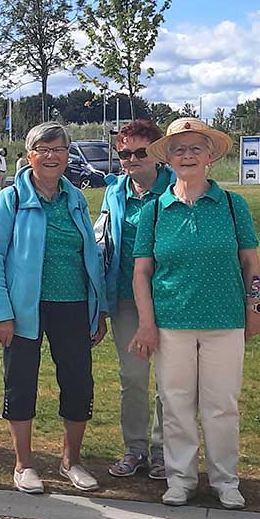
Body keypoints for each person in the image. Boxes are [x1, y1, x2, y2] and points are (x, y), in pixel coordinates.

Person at [129, 118, 260, 510]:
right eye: (179, 149)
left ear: (210, 156)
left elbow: (251, 265)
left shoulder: (232, 205)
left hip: (225, 321)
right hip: (172, 323)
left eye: (195, 149)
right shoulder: (155, 211)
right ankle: (181, 478)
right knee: (175, 403)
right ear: (168, 158)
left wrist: (255, 309)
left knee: (221, 404)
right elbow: (142, 271)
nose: (187, 155)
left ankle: (226, 480)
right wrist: (146, 323)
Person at [0, 121, 109, 495]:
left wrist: (98, 309)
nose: (52, 156)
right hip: (23, 309)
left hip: (73, 304)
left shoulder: (76, 199)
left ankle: (72, 461)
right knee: (20, 383)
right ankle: (24, 464)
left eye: (59, 150)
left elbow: (89, 254)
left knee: (78, 382)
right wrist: (0, 312)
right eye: (44, 149)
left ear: (68, 156)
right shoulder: (11, 199)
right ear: (29, 156)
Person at [101, 120, 173, 481]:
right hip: (127, 299)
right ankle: (136, 449)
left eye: (140, 152)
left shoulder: (177, 188)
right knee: (132, 376)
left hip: (173, 297)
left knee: (169, 379)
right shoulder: (113, 191)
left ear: (157, 153)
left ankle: (164, 452)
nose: (131, 159)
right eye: (124, 153)